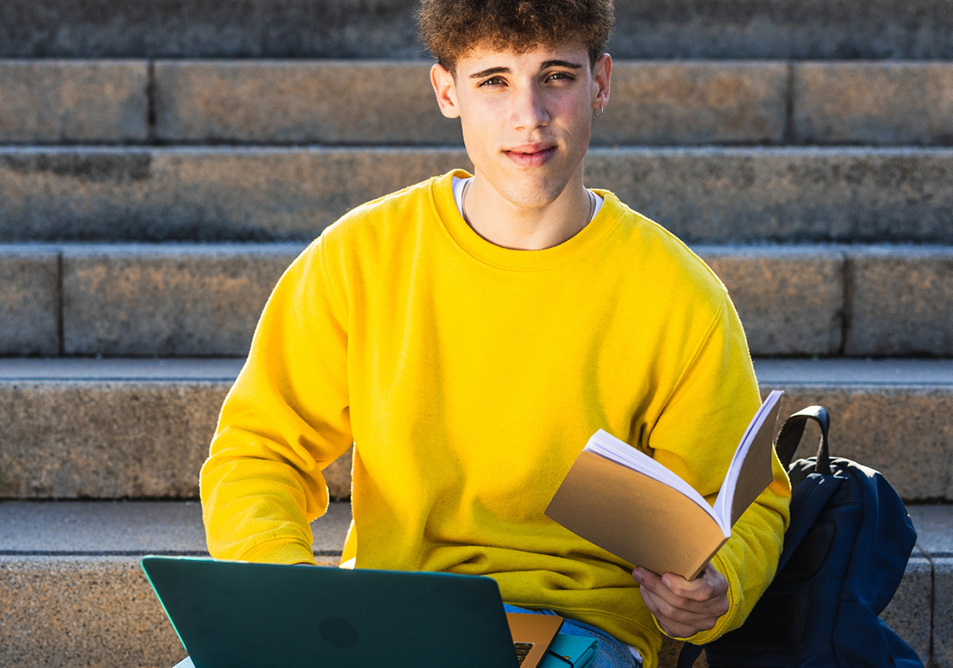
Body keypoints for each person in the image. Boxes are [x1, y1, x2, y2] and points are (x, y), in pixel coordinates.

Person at [199, 1, 791, 666]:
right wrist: (283, 580)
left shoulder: (679, 294)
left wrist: (719, 586)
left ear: (600, 83)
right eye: (494, 82)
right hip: (390, 611)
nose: (529, 116)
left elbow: (747, 502)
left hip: (582, 627)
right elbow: (258, 451)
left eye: (556, 77)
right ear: (447, 91)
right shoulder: (359, 257)